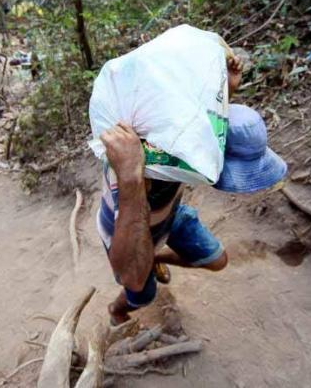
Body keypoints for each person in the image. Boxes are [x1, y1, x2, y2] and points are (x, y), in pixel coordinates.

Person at [96, 56, 287, 324]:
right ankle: (116, 311)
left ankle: (154, 257)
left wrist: (227, 89)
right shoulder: (144, 159)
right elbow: (132, 277)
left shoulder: (191, 133)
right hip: (130, 225)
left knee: (217, 259)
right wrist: (130, 177)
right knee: (141, 292)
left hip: (170, 215)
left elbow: (209, 117)